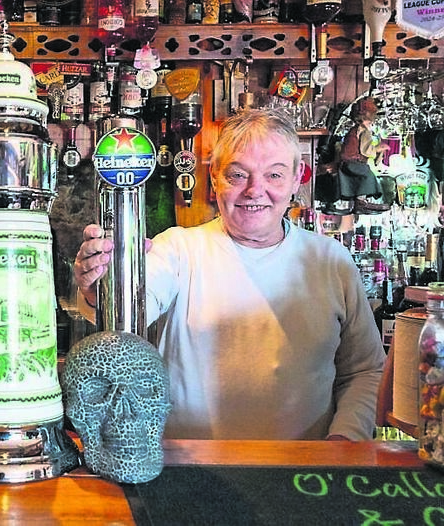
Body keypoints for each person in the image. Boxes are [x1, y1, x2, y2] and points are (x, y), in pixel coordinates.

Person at [74, 109, 385, 441]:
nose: (255, 190)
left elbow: (365, 370)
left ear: (297, 179)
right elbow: (133, 306)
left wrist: (345, 440)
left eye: (274, 175)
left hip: (303, 469)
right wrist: (99, 286)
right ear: (215, 178)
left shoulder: (331, 261)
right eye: (237, 175)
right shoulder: (178, 249)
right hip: (190, 468)